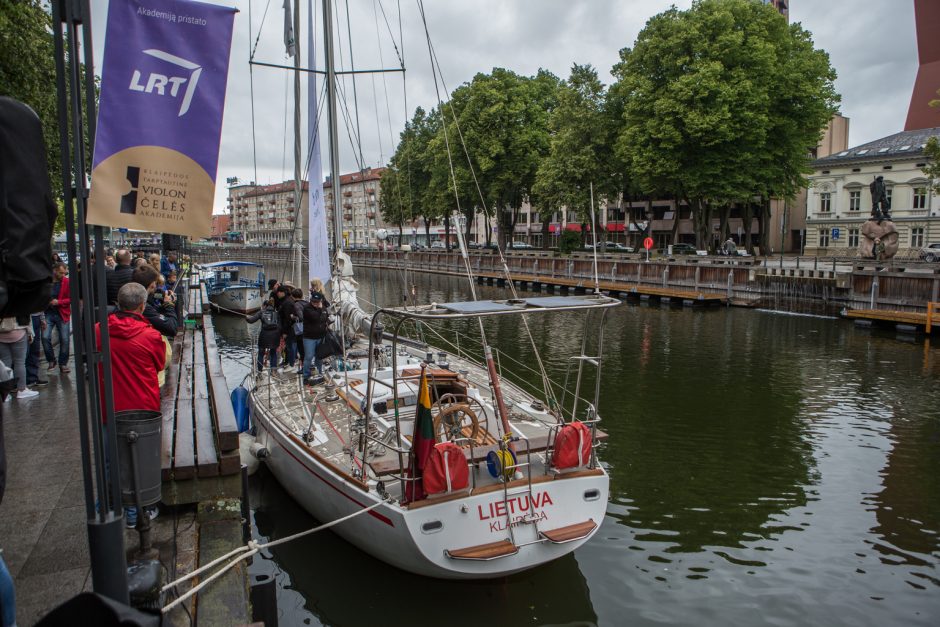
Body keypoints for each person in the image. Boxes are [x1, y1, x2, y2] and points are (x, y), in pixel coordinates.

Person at [96, 283, 166, 526]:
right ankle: (139, 512)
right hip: (142, 407)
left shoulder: (99, 331)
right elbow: (159, 364)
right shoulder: (150, 336)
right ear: (142, 306)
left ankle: (113, 507)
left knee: (110, 459)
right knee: (141, 460)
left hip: (108, 405)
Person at [131, 265, 178, 338]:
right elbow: (172, 328)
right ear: (152, 285)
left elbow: (153, 295)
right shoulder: (144, 306)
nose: (156, 286)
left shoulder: (133, 294)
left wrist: (163, 296)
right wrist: (169, 304)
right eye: (156, 283)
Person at [42, 261, 71, 374]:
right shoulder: (47, 282)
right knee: (45, 337)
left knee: (65, 339)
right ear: (54, 271)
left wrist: (58, 302)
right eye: (60, 273)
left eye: (64, 273)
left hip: (61, 313)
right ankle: (51, 360)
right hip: (48, 313)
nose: (63, 275)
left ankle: (63, 363)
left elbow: (71, 298)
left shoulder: (67, 282)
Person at [0, 315, 38, 400]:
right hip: (18, 330)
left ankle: (5, 394)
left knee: (5, 362)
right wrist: (30, 332)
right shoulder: (18, 301)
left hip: (1, 332)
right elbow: (26, 314)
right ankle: (22, 390)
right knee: (20, 362)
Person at [246, 299, 282, 372]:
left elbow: (251, 320)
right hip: (275, 336)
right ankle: (273, 370)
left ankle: (259, 371)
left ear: (265, 306)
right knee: (273, 353)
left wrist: (246, 317)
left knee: (261, 353)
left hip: (264, 335)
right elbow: (280, 326)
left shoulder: (261, 312)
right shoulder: (277, 313)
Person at [301, 292, 331, 382]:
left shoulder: (323, 308)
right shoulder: (307, 308)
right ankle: (306, 376)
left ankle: (319, 374)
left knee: (319, 357)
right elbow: (315, 318)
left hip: (320, 336)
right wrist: (320, 310)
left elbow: (325, 318)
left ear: (320, 301)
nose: (314, 303)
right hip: (309, 337)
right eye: (313, 301)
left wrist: (322, 312)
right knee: (309, 356)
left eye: (317, 302)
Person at [277, 285, 298, 370]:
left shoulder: (287, 303)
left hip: (289, 329)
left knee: (290, 347)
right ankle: (289, 362)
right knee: (289, 347)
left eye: (279, 292)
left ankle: (291, 364)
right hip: (288, 328)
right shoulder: (286, 301)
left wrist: (285, 332)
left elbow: (287, 319)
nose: (277, 294)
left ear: (283, 292)